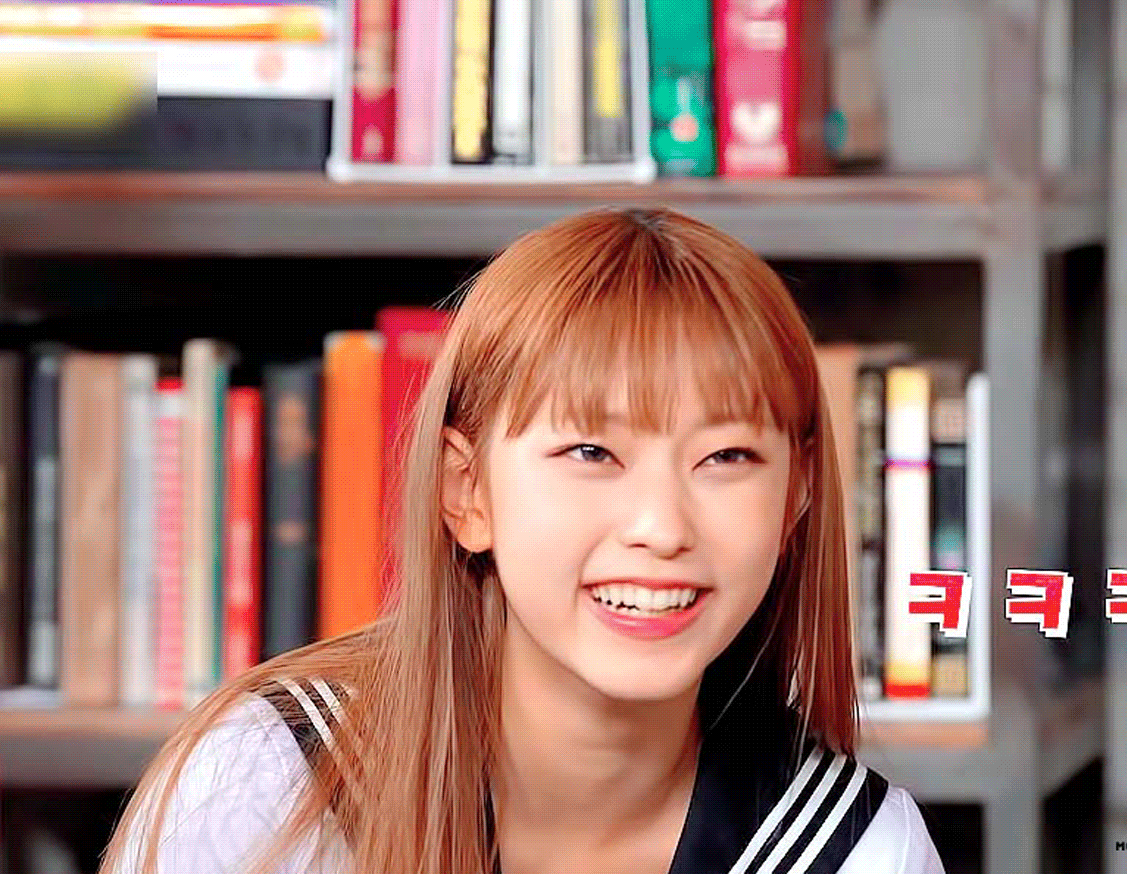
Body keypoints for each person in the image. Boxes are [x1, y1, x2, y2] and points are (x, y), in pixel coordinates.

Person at [100, 206, 946, 874]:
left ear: (796, 494)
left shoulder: (862, 851)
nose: (661, 528)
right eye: (591, 452)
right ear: (466, 492)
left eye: (726, 457)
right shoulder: (269, 783)